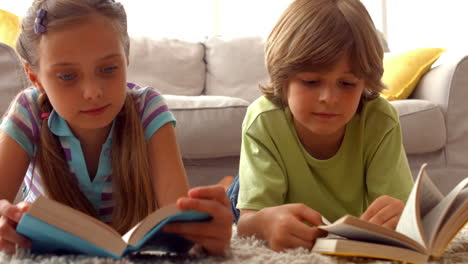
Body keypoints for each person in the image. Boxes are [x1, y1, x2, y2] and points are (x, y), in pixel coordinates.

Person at [0, 0, 232, 255]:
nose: (93, 92)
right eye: (67, 76)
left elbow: (177, 215)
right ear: (36, 79)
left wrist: (206, 235)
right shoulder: (28, 112)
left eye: (109, 69)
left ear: (126, 58)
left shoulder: (147, 108)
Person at [227, 0, 414, 252]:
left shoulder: (380, 120)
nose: (329, 98)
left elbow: (398, 212)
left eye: (347, 83)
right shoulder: (263, 119)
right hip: (256, 194)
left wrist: (400, 216)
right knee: (228, 205)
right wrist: (265, 224)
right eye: (311, 81)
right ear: (283, 79)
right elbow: (248, 222)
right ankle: (231, 183)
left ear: (364, 83)